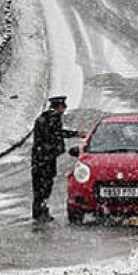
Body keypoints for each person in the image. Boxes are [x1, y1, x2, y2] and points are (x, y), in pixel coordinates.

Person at [31, 95, 87, 223]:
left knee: (41, 186)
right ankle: (40, 211)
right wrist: (74, 134)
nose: (64, 110)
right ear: (59, 107)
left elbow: (55, 133)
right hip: (45, 158)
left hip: (41, 158)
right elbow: (55, 134)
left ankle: (40, 210)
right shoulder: (51, 119)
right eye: (63, 107)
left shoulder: (46, 117)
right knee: (44, 186)